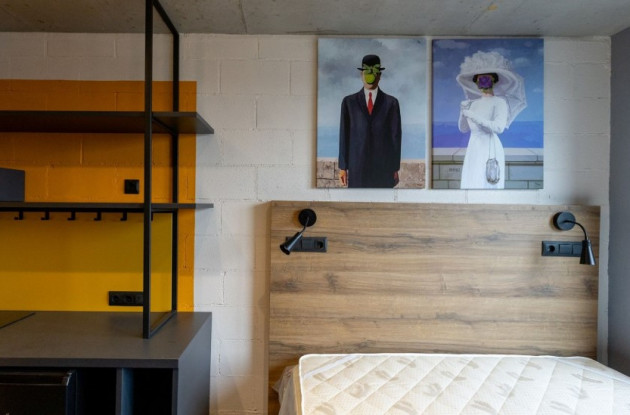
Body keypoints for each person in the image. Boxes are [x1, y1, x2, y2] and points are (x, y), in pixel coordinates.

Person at [456, 51, 526, 189]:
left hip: (490, 148)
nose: (483, 81)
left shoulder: (499, 102)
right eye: (480, 79)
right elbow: (463, 129)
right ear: (476, 82)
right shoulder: (473, 104)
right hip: (473, 148)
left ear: (494, 80)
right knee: (472, 182)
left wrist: (473, 115)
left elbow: (499, 128)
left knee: (488, 182)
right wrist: (462, 112)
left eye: (486, 78)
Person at [338, 54, 402, 188]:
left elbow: (395, 138)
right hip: (357, 169)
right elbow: (344, 136)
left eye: (375, 72)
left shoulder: (391, 103)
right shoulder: (349, 103)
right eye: (367, 72)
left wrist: (395, 168)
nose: (371, 76)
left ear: (380, 75)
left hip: (383, 169)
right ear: (361, 74)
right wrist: (343, 167)